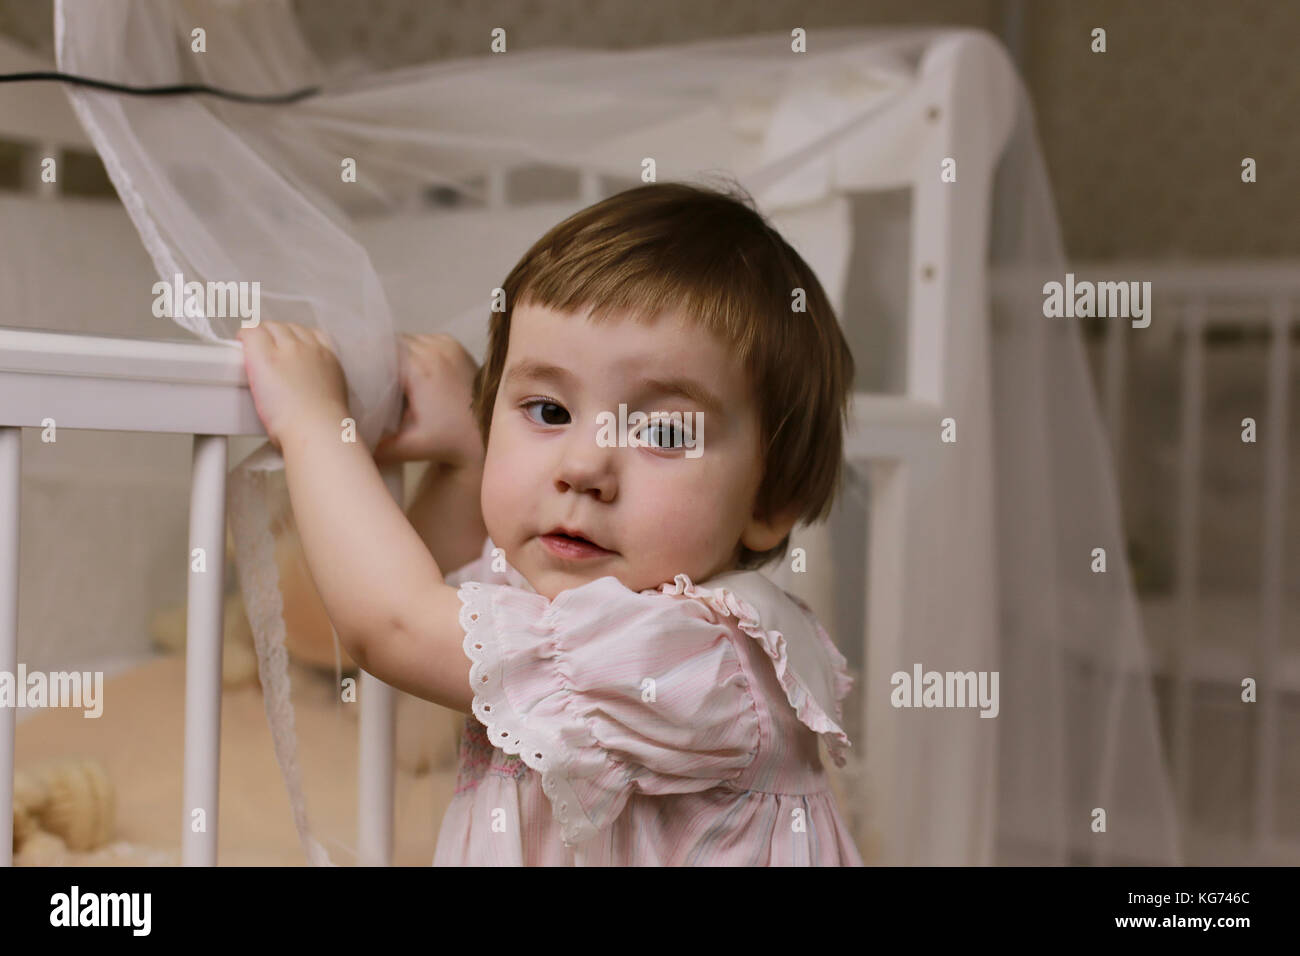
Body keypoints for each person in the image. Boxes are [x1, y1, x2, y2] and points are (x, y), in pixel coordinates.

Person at [237, 180, 863, 866]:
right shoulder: (566, 600)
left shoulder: (695, 655)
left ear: (769, 502)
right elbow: (426, 581)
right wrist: (469, 462)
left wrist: (316, 425)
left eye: (660, 429)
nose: (584, 465)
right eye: (548, 411)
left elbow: (396, 625)